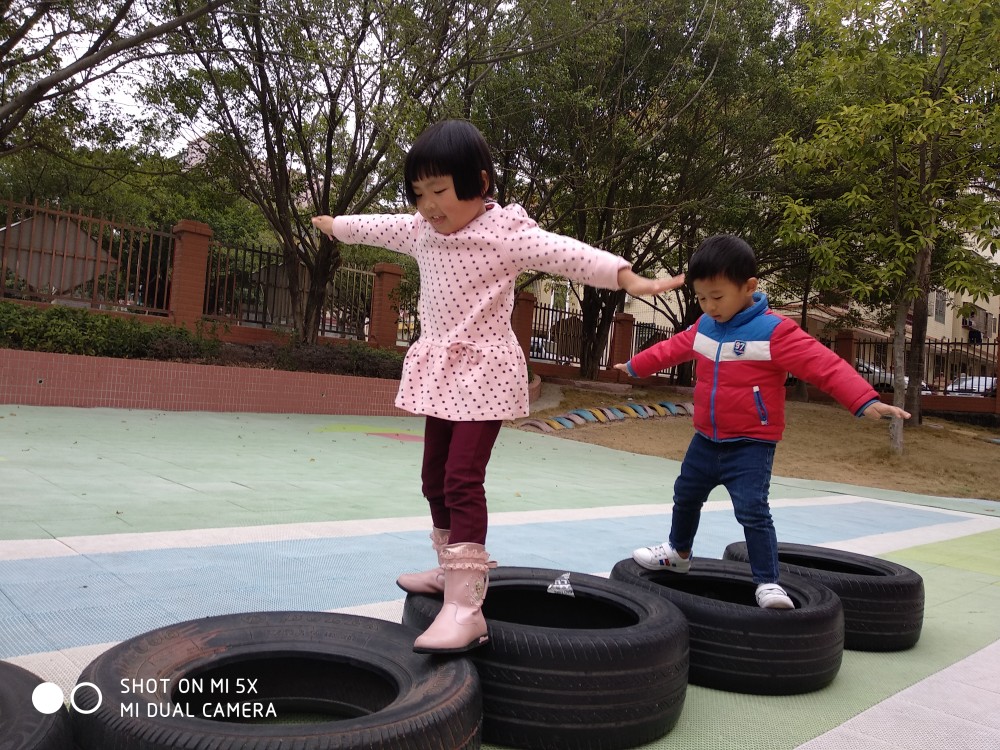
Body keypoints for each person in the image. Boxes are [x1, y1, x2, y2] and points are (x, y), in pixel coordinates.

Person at [313, 119, 684, 652]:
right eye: (419, 193)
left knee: (462, 479)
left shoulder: (505, 234)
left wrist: (625, 277)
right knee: (434, 478)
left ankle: (466, 608)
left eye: (440, 190)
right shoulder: (421, 231)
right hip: (441, 371)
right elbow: (378, 226)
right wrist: (336, 226)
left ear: (479, 183)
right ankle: (449, 570)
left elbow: (566, 253)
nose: (428, 205)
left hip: (484, 373)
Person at [615, 235, 910, 609]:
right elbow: (670, 349)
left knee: (753, 511)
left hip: (751, 444)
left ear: (749, 287)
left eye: (717, 297)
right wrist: (635, 365)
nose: (709, 306)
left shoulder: (774, 331)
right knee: (685, 494)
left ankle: (768, 583)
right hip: (706, 439)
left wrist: (863, 398)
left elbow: (824, 365)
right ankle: (678, 552)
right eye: (702, 298)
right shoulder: (705, 327)